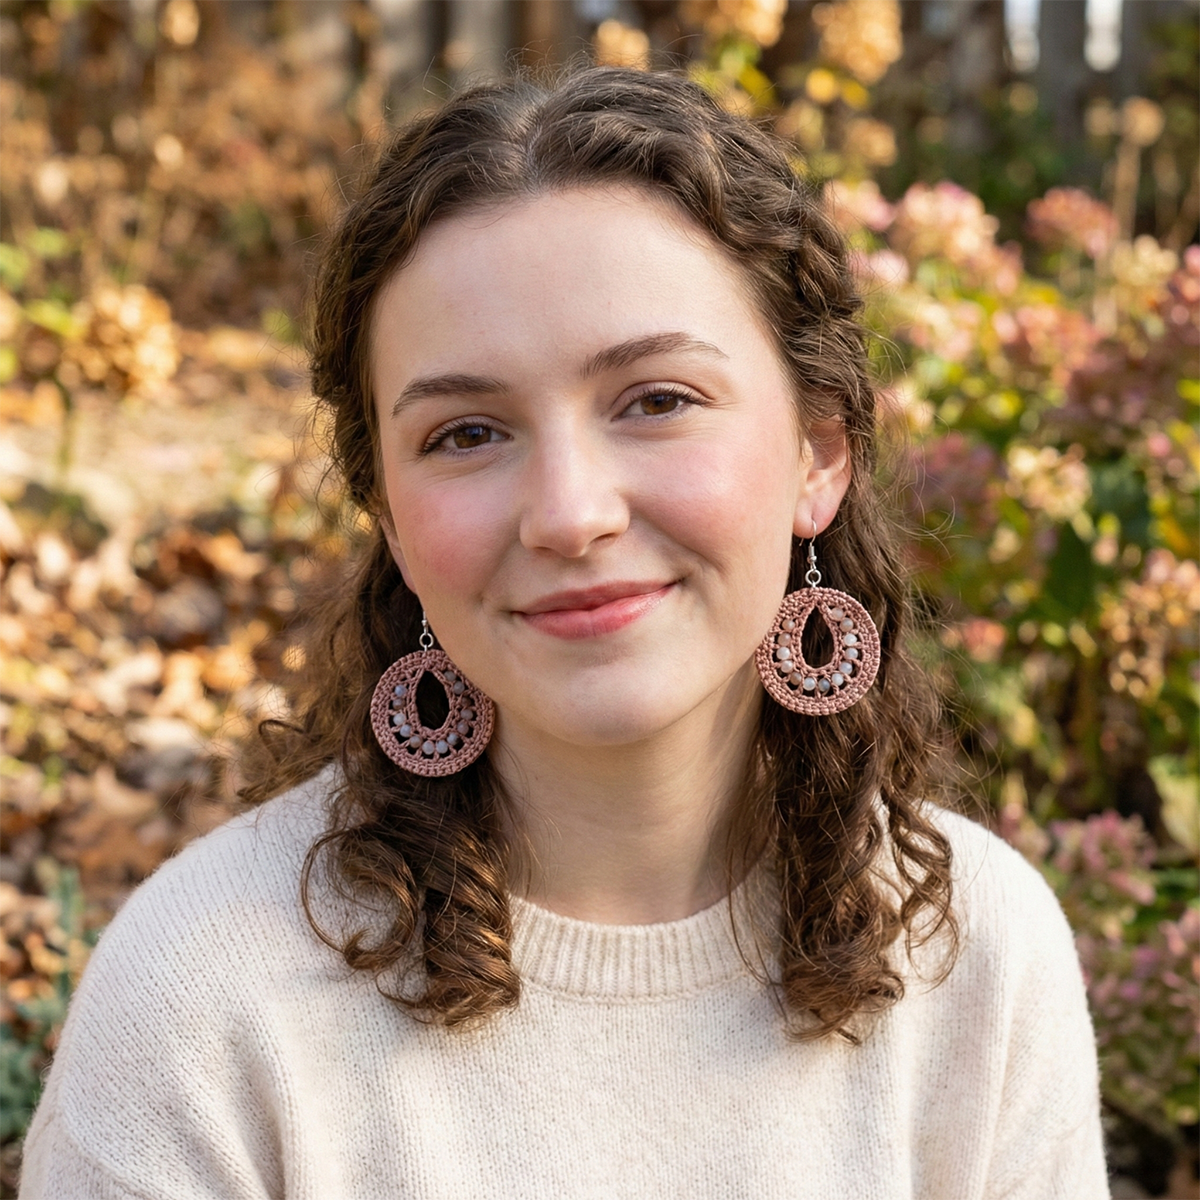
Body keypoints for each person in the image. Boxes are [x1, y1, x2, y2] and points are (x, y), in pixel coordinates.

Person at [20, 67, 1108, 1199]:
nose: (571, 513)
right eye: (468, 432)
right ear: (387, 515)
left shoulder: (978, 962)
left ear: (819, 451)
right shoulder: (203, 1002)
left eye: (656, 400)